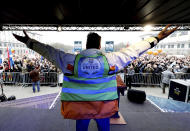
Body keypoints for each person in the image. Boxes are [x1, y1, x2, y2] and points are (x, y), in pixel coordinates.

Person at [12, 24, 177, 131]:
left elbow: (49, 52)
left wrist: (29, 41)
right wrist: (157, 38)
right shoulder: (110, 60)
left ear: (86, 45)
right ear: (99, 45)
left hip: (79, 107)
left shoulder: (71, 61)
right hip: (103, 108)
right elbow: (133, 51)